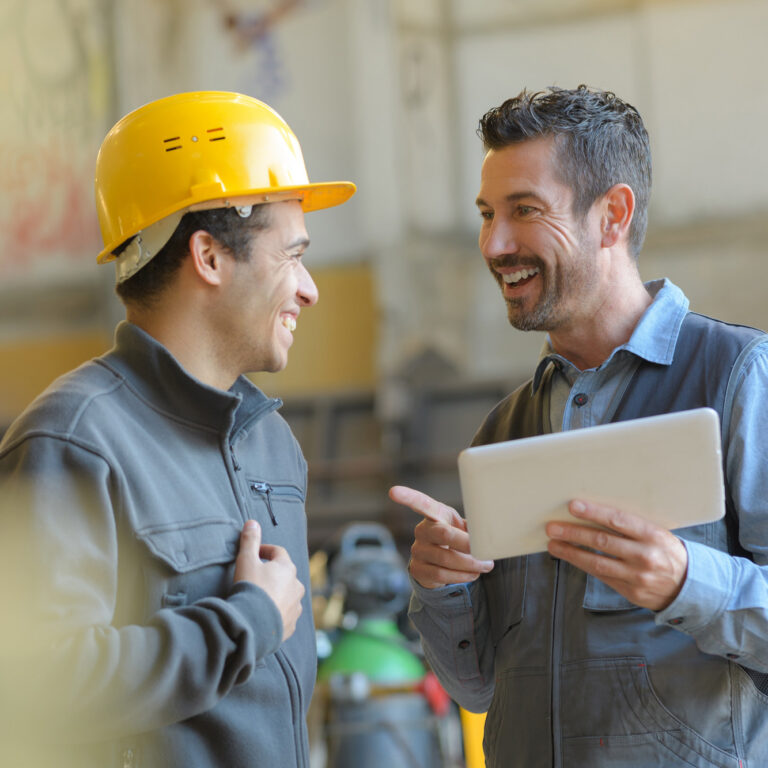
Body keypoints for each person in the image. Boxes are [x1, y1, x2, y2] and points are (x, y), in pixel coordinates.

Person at [389, 85, 768, 767]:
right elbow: (474, 689)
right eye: (486, 215)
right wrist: (443, 590)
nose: (495, 244)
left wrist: (688, 582)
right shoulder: (504, 431)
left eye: (525, 211)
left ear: (612, 215)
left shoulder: (738, 377)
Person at [0, 91, 355, 768]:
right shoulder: (73, 440)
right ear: (209, 257)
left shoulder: (270, 443)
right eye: (292, 255)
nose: (309, 289)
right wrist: (245, 621)